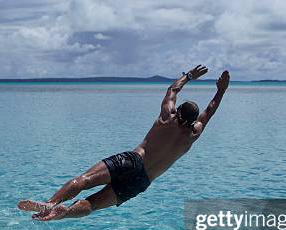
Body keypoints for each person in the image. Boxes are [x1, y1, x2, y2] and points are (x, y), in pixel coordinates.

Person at [18, 65, 230, 221]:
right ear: (193, 121)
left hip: (132, 160)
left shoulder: (167, 118)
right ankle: (63, 213)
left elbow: (172, 90)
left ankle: (51, 203)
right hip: (142, 181)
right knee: (91, 204)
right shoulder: (193, 134)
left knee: (84, 180)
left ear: (178, 112)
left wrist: (189, 76)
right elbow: (210, 110)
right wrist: (221, 90)